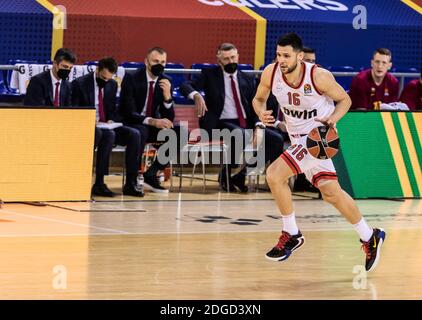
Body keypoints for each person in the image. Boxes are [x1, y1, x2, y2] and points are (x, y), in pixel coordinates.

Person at [252, 32, 385, 272]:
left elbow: (345, 100)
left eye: (286, 56)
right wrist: (261, 112)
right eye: (278, 55)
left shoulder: (319, 76)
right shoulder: (270, 73)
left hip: (318, 138)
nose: (281, 60)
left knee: (274, 175)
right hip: (297, 140)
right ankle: (370, 236)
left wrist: (333, 119)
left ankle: (291, 232)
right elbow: (258, 99)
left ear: (300, 56)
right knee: (331, 193)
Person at [180, 43, 284, 192]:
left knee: (275, 139)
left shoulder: (247, 78)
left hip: (245, 123)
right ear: (219, 61)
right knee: (239, 134)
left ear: (238, 57)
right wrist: (196, 95)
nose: (230, 61)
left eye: (233, 57)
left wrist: (259, 126)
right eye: (226, 59)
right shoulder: (209, 75)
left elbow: (256, 105)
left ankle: (242, 173)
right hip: (219, 123)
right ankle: (227, 173)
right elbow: (185, 85)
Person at [71, 57, 144, 197]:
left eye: (108, 78)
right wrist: (89, 120)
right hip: (87, 125)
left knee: (134, 134)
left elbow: (111, 109)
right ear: (97, 70)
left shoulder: (112, 84)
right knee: (108, 135)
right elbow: (74, 109)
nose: (105, 81)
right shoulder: (80, 84)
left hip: (105, 124)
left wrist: (111, 119)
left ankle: (131, 183)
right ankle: (99, 182)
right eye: (103, 77)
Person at [119, 47, 185, 193]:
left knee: (180, 133)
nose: (159, 65)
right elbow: (128, 112)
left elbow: (169, 118)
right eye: (155, 61)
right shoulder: (132, 78)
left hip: (152, 125)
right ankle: (132, 181)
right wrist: (153, 121)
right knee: (140, 131)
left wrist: (168, 97)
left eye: (163, 62)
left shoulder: (166, 81)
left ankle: (151, 173)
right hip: (132, 123)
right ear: (146, 62)